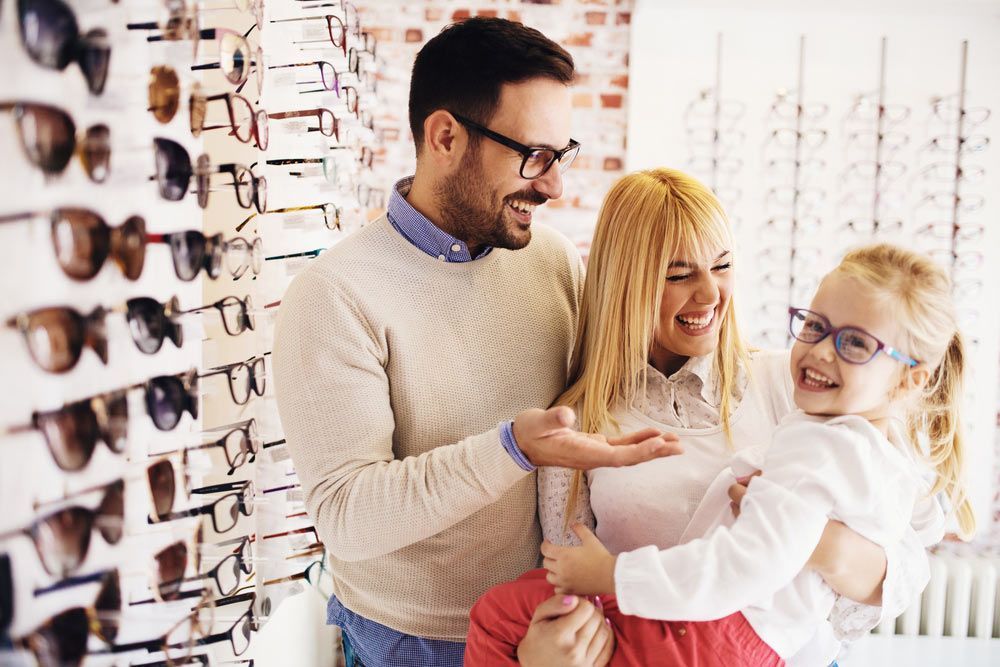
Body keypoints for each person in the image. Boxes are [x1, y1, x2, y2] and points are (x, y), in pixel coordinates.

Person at [270, 18, 680, 667]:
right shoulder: (335, 295)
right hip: (412, 641)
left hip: (546, 621)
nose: (553, 185)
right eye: (533, 155)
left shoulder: (550, 260)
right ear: (445, 137)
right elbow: (347, 516)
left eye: (560, 154)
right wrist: (511, 448)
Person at [463, 170, 947, 666]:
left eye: (722, 266)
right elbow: (571, 581)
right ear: (624, 283)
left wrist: (821, 545)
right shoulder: (580, 424)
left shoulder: (805, 386)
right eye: (679, 275)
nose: (711, 294)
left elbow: (909, 558)